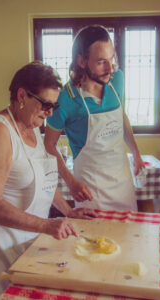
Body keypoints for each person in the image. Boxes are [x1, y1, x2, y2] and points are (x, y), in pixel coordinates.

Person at [0, 61, 96, 300]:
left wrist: (68, 211)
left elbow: (45, 181)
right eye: (46, 104)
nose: (50, 112)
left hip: (28, 237)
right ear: (22, 95)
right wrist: (45, 225)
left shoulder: (33, 127)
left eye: (54, 105)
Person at [44, 25, 145, 211]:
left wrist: (137, 155)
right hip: (91, 190)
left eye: (111, 59)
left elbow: (122, 117)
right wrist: (71, 181)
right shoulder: (65, 99)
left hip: (122, 182)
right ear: (81, 61)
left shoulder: (117, 80)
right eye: (101, 62)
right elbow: (48, 145)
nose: (110, 68)